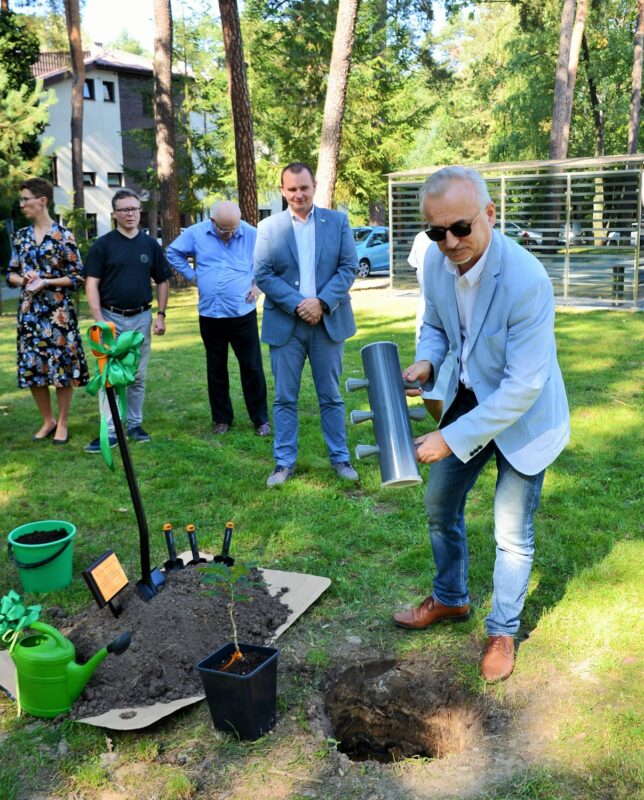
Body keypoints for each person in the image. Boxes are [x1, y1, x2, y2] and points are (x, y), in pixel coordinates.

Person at [394, 166, 570, 682]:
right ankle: (451, 598)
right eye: (435, 231)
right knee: (438, 503)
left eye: (461, 228)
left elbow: (521, 388)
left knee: (511, 532)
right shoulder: (433, 261)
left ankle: (503, 629)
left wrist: (449, 437)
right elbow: (433, 324)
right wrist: (427, 360)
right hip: (471, 398)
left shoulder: (527, 280)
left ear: (490, 215)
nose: (449, 242)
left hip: (525, 416)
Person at [254, 162, 358, 487]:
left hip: (328, 322)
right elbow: (263, 273)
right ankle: (284, 463)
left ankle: (340, 459)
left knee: (331, 395)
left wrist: (322, 302)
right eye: (292, 189)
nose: (299, 194)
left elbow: (348, 266)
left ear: (314, 187)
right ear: (283, 191)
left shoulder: (337, 222)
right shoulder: (269, 227)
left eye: (304, 187)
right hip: (286, 325)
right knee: (285, 397)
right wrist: (300, 304)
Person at [166, 201, 269, 436]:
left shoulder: (252, 235)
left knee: (252, 367)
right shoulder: (196, 233)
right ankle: (222, 419)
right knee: (216, 368)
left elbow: (270, 262)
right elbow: (172, 252)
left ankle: (260, 418)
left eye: (234, 229)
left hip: (242, 313)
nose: (230, 234)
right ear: (212, 221)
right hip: (210, 314)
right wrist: (191, 276)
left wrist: (258, 285)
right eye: (224, 230)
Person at [83, 189, 170, 452]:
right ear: (115, 214)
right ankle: (111, 431)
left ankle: (133, 424)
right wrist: (100, 321)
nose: (130, 214)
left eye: (134, 209)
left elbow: (163, 280)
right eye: (124, 210)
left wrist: (161, 315)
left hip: (141, 318)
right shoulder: (103, 245)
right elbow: (91, 283)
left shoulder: (149, 244)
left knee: (138, 375)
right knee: (109, 376)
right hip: (111, 318)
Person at [6, 178, 89, 445]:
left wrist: (47, 281)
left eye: (25, 199)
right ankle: (47, 420)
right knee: (34, 368)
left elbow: (77, 277)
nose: (22, 204)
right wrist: (25, 279)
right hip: (30, 314)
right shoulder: (20, 236)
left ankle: (63, 421)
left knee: (61, 368)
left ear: (42, 201)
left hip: (58, 315)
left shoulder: (63, 236)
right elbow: (11, 274)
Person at [407, 230, 449, 423]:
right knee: (432, 389)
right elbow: (433, 327)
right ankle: (447, 428)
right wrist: (427, 361)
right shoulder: (425, 243)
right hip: (429, 316)